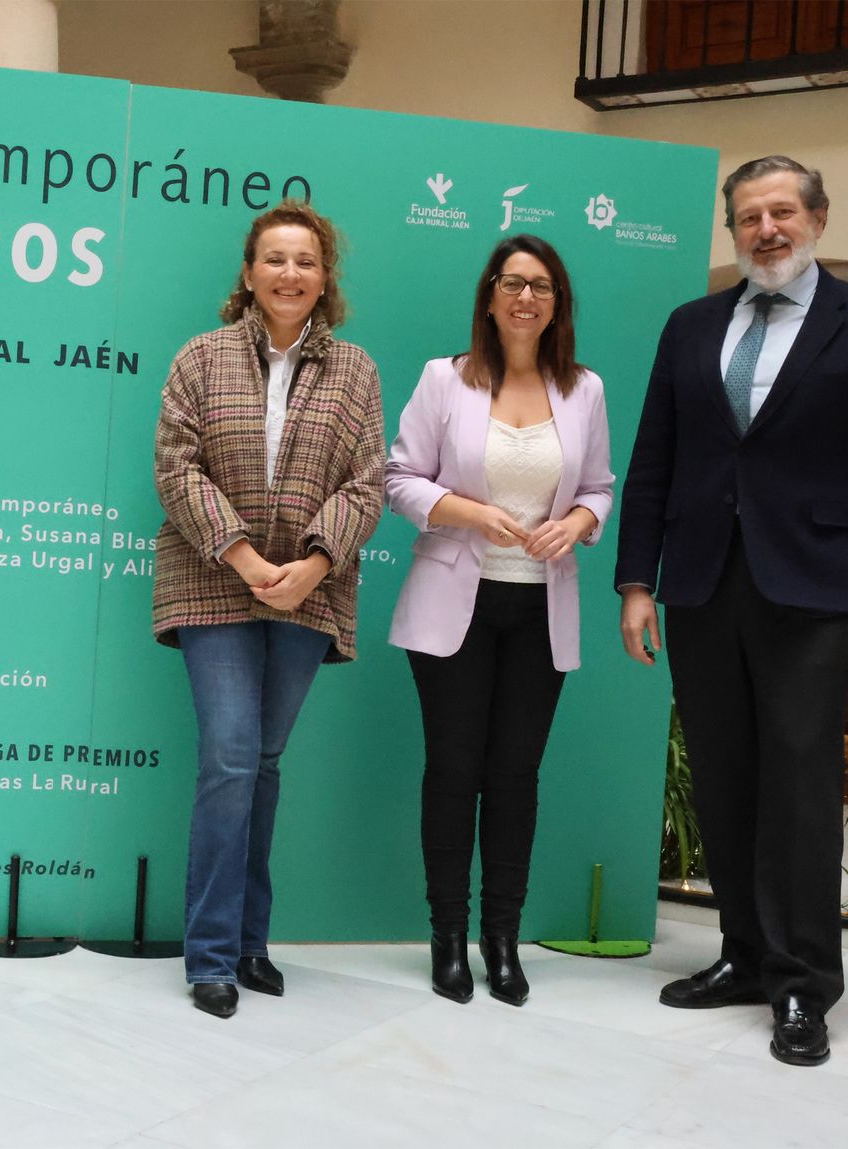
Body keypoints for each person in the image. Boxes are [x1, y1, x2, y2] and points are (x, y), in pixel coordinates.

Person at [616, 156, 848, 1067]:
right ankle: (745, 955)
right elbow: (655, 461)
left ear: (818, 220)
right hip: (705, 583)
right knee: (724, 775)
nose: (767, 229)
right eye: (749, 216)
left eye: (783, 211)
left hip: (821, 588)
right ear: (734, 231)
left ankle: (802, 984)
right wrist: (638, 580)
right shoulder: (691, 325)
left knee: (797, 785)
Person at [153, 200, 385, 1019]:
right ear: (248, 272)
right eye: (275, 258)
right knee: (230, 755)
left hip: (307, 590)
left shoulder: (354, 370)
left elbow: (368, 483)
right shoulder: (200, 357)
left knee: (264, 761)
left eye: (307, 261)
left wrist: (312, 565)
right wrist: (247, 557)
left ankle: (251, 940)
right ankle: (211, 953)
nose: (291, 273)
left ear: (326, 281)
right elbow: (176, 468)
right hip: (214, 579)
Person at [385, 234, 614, 1006]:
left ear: (558, 305)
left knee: (515, 778)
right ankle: (447, 936)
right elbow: (399, 478)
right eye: (513, 283)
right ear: (489, 296)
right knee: (453, 773)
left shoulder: (584, 389)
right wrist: (468, 511)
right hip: (456, 602)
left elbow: (602, 487)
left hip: (540, 608)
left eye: (542, 286)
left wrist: (579, 519)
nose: (526, 297)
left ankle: (502, 939)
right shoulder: (443, 379)